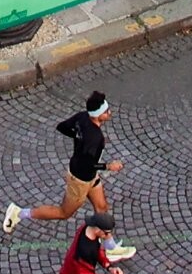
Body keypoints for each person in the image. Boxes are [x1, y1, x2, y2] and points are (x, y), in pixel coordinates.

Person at [13, 90, 121, 235]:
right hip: (80, 179)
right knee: (63, 212)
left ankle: (109, 245)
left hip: (90, 175)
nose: (110, 113)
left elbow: (62, 127)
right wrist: (108, 166)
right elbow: (87, 164)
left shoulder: (83, 117)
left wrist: (78, 137)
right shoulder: (96, 137)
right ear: (98, 115)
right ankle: (20, 213)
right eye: (106, 111)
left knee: (101, 208)